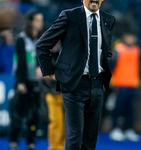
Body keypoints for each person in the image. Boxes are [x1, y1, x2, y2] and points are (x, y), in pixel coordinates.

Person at [36, 0, 115, 149]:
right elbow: (42, 44)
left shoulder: (108, 20)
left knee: (91, 138)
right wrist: (50, 72)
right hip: (74, 84)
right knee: (74, 137)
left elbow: (105, 50)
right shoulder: (69, 16)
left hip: (97, 85)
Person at [8, 9, 44, 150]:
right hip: (23, 81)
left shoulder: (42, 39)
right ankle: (13, 140)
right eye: (37, 20)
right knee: (18, 113)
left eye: (41, 20)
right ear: (30, 22)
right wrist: (21, 82)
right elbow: (21, 63)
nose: (40, 23)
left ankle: (30, 141)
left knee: (34, 114)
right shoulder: (21, 39)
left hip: (37, 81)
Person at [110, 31, 140, 142]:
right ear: (124, 36)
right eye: (129, 36)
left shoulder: (137, 49)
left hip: (132, 83)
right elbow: (111, 65)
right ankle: (115, 129)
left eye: (133, 36)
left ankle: (129, 129)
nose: (131, 39)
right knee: (118, 107)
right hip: (119, 82)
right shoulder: (118, 48)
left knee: (130, 108)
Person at [36, 42, 65, 150]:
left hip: (68, 93)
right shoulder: (43, 52)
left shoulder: (66, 51)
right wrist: (58, 76)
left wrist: (51, 75)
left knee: (69, 123)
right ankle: (55, 147)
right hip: (51, 93)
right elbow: (39, 72)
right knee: (55, 121)